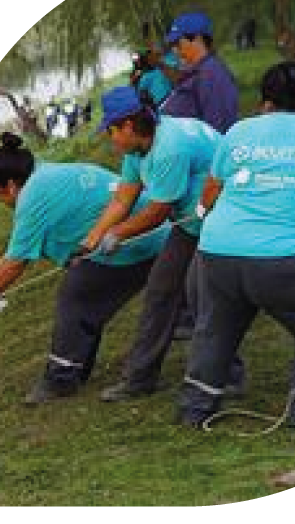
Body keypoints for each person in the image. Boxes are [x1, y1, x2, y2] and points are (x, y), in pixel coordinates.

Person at [176, 62, 295, 429]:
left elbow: (212, 187)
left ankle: (195, 408)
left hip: (219, 252)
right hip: (287, 260)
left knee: (216, 328)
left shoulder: (239, 131)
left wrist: (203, 213)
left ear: (266, 102)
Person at [0, 132, 170, 405]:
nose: (0, 202)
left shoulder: (33, 196)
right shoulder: (45, 173)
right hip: (156, 231)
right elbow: (15, 253)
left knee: (76, 297)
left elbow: (16, 260)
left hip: (137, 238)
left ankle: (61, 378)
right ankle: (76, 367)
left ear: (10, 186)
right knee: (86, 294)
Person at [70, 86, 244, 402]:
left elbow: (158, 211)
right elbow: (123, 199)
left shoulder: (169, 147)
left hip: (221, 221)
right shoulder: (137, 150)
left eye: (111, 130)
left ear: (127, 125)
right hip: (191, 222)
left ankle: (229, 377)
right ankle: (140, 379)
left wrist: (118, 234)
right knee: (160, 292)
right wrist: (91, 240)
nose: (110, 138)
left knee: (205, 297)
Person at [157, 11, 239, 135]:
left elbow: (218, 129)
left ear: (197, 38)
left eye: (177, 43)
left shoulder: (211, 75)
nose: (174, 50)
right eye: (172, 45)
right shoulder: (197, 72)